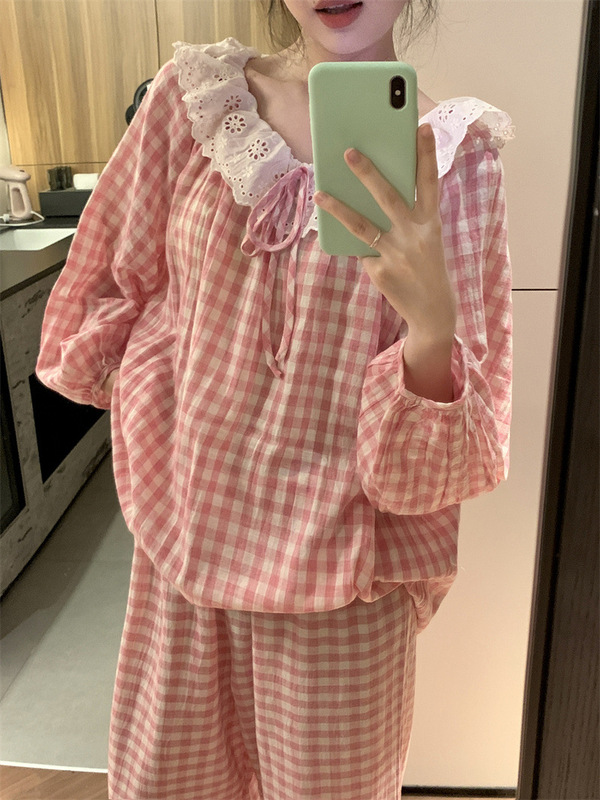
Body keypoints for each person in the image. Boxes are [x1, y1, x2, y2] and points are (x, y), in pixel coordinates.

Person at [36, 0, 514, 797]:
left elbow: (438, 467)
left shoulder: (460, 165)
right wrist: (171, 406)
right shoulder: (193, 105)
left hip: (343, 593)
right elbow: (108, 292)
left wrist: (432, 327)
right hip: (182, 572)